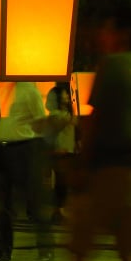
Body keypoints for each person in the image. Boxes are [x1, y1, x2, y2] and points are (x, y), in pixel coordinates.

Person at [51, 6, 131, 261]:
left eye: (105, 26)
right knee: (127, 254)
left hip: (106, 170)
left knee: (80, 249)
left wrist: (81, 167)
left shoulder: (113, 64)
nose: (100, 34)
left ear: (120, 32)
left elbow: (95, 121)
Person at [0, 81, 56, 261]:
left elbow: (40, 120)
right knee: (3, 204)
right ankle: (3, 250)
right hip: (0, 147)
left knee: (33, 199)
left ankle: (45, 247)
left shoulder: (28, 89)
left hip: (24, 147)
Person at [44, 82, 78, 222]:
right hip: (60, 151)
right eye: (64, 96)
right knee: (61, 183)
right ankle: (58, 211)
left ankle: (59, 210)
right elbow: (56, 128)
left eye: (66, 95)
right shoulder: (56, 115)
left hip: (67, 150)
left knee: (63, 182)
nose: (66, 98)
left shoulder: (65, 114)